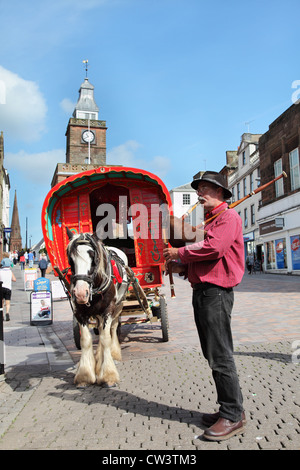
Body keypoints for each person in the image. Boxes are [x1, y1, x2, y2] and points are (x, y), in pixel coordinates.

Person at [163, 171, 245, 441]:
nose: (201, 193)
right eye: (199, 189)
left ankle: (232, 415)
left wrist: (180, 253)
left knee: (220, 354)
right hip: (204, 291)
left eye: (207, 189)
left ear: (221, 192)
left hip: (216, 293)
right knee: (213, 353)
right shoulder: (210, 221)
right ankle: (230, 408)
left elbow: (214, 249)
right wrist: (181, 266)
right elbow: (206, 257)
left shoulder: (228, 217)